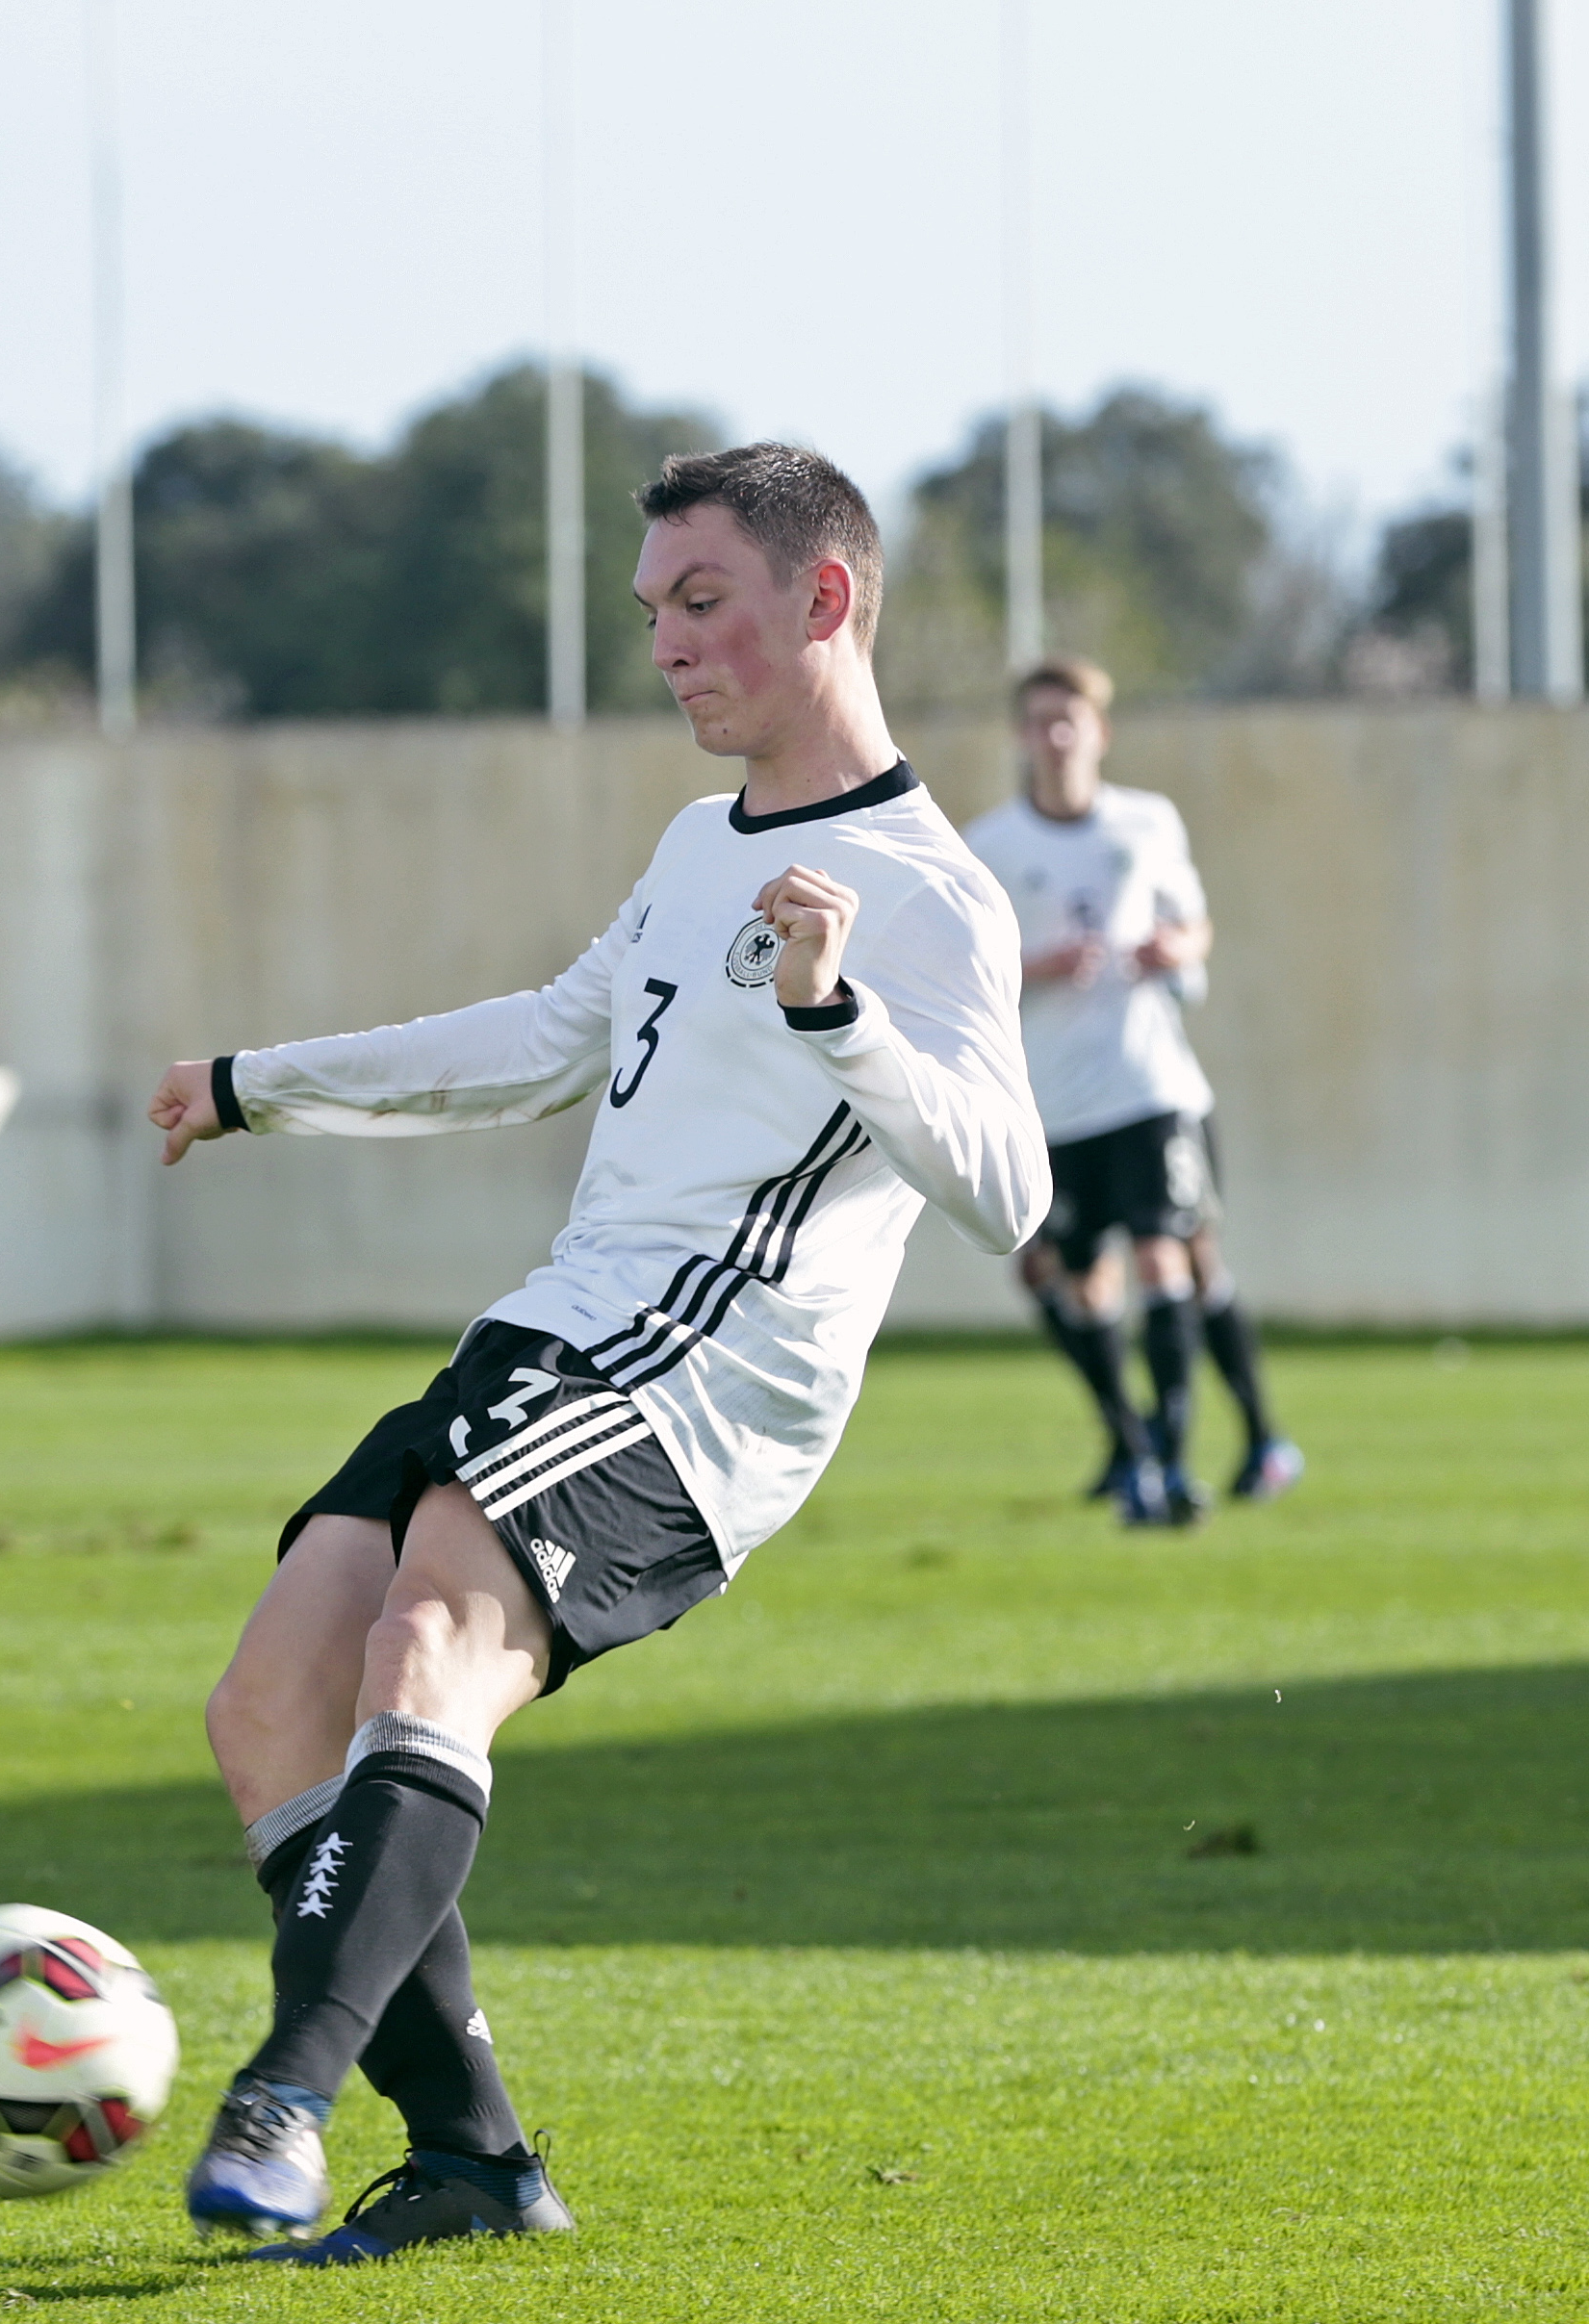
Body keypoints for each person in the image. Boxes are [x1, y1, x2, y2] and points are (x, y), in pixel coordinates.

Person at [147, 445, 1048, 2266]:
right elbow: (555, 1036)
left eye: (698, 602)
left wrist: (835, 1011)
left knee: (429, 1644)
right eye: (649, 613)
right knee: (267, 1712)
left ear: (823, 599)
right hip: (554, 1335)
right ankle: (474, 2163)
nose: (666, 645)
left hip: (699, 1382)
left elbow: (1012, 1190)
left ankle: (288, 2088)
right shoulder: (691, 846)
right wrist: (263, 1086)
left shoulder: (924, 893)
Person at [962, 657, 1300, 1524]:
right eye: (1041, 719)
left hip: (1151, 1088)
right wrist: (1033, 967)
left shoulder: (1148, 823)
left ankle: (1186, 1457)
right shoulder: (990, 845)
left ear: (1100, 731)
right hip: (1054, 1104)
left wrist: (1178, 950)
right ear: (1021, 734)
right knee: (1073, 1283)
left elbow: (1193, 922)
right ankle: (1134, 1444)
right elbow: (966, 971)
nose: (1058, 734)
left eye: (1072, 719)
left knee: (1171, 1256)